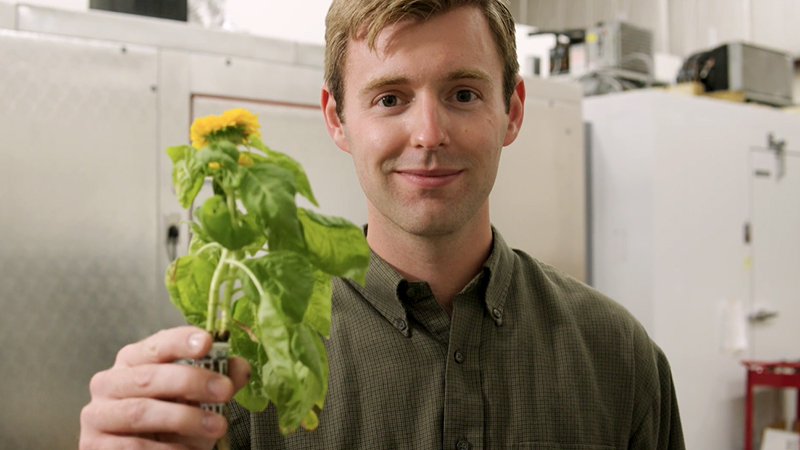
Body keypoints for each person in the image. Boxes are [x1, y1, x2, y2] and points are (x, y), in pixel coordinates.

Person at [80, 0, 685, 449]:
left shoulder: (618, 356)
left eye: (464, 94)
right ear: (337, 119)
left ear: (513, 111)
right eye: (390, 98)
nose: (428, 134)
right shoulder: (252, 365)